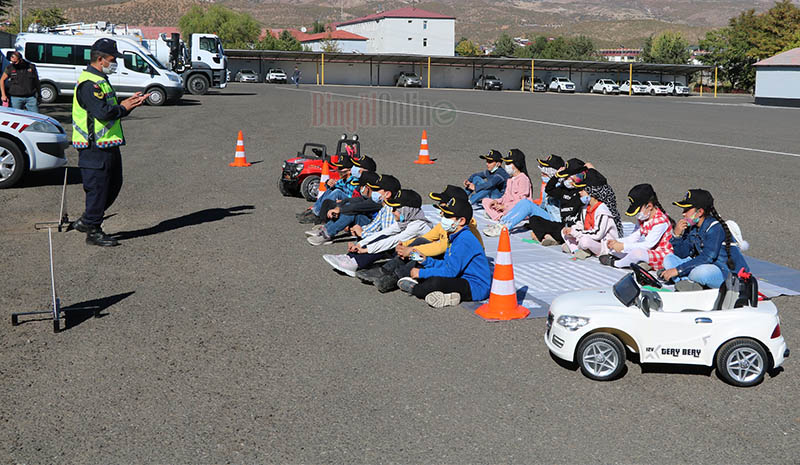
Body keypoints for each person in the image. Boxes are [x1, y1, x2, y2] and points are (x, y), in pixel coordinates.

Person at [68, 38, 149, 247]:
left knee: (113, 184)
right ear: (101, 59)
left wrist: (128, 104)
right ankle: (93, 230)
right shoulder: (89, 83)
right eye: (113, 59)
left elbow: (109, 108)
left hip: (108, 145)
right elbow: (102, 112)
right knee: (98, 188)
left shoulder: (101, 79)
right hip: (94, 147)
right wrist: (124, 108)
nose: (115, 63)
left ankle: (87, 220)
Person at [359, 185, 485, 293]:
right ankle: (386, 270)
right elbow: (427, 238)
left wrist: (412, 251)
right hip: (448, 259)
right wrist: (405, 246)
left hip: (457, 264)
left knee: (423, 256)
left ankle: (396, 276)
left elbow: (440, 248)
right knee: (419, 243)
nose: (441, 212)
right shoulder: (449, 225)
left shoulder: (464, 234)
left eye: (444, 208)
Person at [396, 195, 492, 308]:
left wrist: (421, 273)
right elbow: (448, 264)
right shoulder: (454, 236)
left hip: (475, 286)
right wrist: (426, 261)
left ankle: (416, 289)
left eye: (447, 216)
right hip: (461, 278)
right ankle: (451, 297)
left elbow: (450, 272)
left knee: (434, 282)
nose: (443, 218)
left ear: (461, 221)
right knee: (427, 269)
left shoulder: (464, 240)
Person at [323, 189, 432, 276]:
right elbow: (384, 232)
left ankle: (355, 263)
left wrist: (366, 249)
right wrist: (359, 244)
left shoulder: (418, 225)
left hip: (417, 258)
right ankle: (349, 258)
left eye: (395, 209)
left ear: (407, 210)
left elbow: (393, 241)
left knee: (385, 242)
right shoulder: (406, 221)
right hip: (404, 250)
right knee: (383, 235)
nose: (392, 211)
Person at [660, 189, 750, 291]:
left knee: (700, 273)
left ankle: (686, 281)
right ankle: (687, 283)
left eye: (686, 210)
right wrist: (677, 236)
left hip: (725, 272)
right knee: (669, 259)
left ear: (700, 212)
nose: (683, 214)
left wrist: (678, 270)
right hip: (705, 266)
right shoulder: (692, 227)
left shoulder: (715, 228)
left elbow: (707, 257)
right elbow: (682, 255)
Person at [482, 154, 564, 236]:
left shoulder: (560, 187)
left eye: (545, 169)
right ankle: (502, 223)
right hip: (547, 216)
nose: (542, 171)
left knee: (526, 204)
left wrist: (505, 206)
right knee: (525, 203)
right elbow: (543, 205)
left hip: (556, 222)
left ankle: (504, 227)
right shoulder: (547, 184)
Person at [600, 183, 674, 269]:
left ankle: (616, 263)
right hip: (649, 252)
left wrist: (623, 246)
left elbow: (647, 245)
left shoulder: (660, 222)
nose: (637, 215)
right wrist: (616, 242)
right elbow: (633, 238)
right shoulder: (644, 218)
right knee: (616, 249)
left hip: (662, 255)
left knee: (637, 253)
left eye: (638, 211)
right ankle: (638, 263)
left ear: (649, 206)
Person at [306, 170, 387, 246]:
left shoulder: (377, 201)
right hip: (369, 222)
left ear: (367, 187)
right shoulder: (370, 196)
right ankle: (325, 228)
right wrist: (339, 206)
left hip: (375, 228)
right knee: (346, 206)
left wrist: (339, 209)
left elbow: (357, 207)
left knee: (351, 213)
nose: (359, 188)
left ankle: (327, 234)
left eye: (361, 186)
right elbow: (353, 200)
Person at [297, 155, 376, 224]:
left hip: (351, 202)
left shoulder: (355, 181)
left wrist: (341, 200)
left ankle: (318, 214)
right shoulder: (344, 180)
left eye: (340, 168)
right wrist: (328, 183)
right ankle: (315, 210)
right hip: (347, 201)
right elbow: (335, 185)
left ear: (349, 170)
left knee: (337, 191)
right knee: (331, 190)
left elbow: (356, 197)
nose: (338, 170)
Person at [527, 157, 584, 246]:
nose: (568, 179)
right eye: (566, 176)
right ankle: (547, 237)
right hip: (562, 227)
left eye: (570, 177)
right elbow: (549, 189)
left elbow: (596, 182)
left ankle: (552, 238)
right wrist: (556, 176)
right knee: (534, 219)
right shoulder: (564, 190)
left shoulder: (582, 192)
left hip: (574, 229)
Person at [561, 181, 620, 260]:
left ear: (591, 194)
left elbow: (598, 234)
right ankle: (578, 249)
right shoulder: (585, 208)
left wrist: (576, 233)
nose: (580, 192)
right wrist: (572, 230)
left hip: (602, 244)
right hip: (588, 235)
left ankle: (580, 248)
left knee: (584, 241)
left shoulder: (602, 211)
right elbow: (581, 224)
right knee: (564, 231)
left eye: (582, 190)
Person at [481, 149, 532, 221]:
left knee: (510, 209)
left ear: (517, 164)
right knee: (485, 201)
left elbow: (522, 201)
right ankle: (500, 216)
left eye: (509, 163)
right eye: (506, 163)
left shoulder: (523, 179)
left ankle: (498, 215)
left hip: (516, 207)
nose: (506, 166)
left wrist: (504, 206)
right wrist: (497, 201)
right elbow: (505, 196)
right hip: (505, 206)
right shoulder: (510, 179)